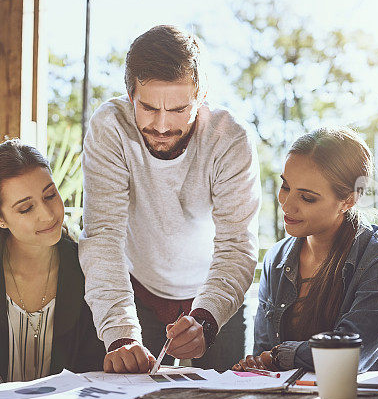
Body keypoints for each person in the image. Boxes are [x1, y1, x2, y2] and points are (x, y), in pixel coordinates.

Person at [79, 25, 261, 373]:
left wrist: (206, 319)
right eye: (148, 107)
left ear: (202, 94)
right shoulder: (110, 127)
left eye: (179, 109)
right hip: (136, 291)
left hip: (216, 289)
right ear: (129, 94)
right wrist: (119, 334)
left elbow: (237, 244)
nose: (162, 126)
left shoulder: (230, 137)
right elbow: (103, 237)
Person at [234, 128, 378, 374]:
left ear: (348, 200)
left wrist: (280, 356)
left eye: (307, 198)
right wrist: (257, 364)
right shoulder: (275, 259)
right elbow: (263, 354)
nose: (286, 205)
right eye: (285, 187)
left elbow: (350, 356)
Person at [0, 140, 104, 390]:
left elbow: (95, 369)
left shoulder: (86, 265)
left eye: (50, 195)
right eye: (25, 208)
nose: (47, 214)